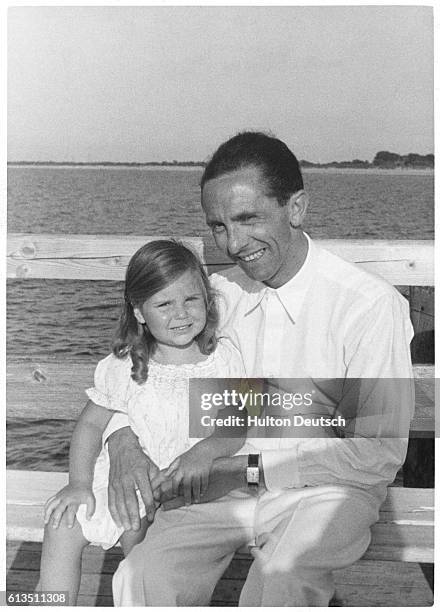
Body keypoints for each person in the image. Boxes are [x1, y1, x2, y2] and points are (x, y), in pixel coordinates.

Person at [106, 132, 414, 606]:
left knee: (282, 580)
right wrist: (122, 441)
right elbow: (133, 372)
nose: (233, 243)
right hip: (223, 489)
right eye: (219, 226)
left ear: (296, 208)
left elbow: (376, 453)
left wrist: (239, 468)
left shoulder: (367, 306)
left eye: (248, 218)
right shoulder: (216, 295)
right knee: (141, 574)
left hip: (326, 492)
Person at [38, 240, 247, 605]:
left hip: (183, 490)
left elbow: (235, 425)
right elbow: (90, 426)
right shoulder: (128, 365)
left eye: (191, 300)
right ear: (138, 312)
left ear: (207, 300)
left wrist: (205, 450)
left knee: (143, 543)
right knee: (63, 523)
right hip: (122, 484)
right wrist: (78, 483)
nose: (180, 314)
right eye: (164, 304)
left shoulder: (220, 361)